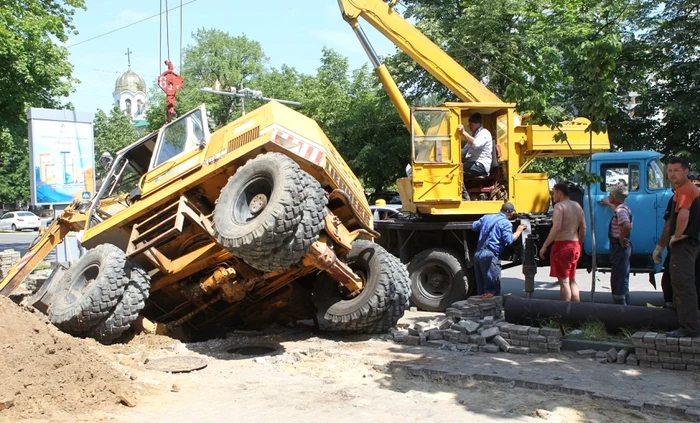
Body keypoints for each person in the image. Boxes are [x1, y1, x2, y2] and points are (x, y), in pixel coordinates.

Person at [660, 157, 700, 337]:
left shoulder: (685, 190)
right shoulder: (683, 190)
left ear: (686, 171)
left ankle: (689, 328)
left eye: (676, 170)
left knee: (683, 284)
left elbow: (683, 214)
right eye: (669, 170)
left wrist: (676, 236)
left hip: (684, 244)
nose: (672, 174)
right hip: (687, 243)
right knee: (678, 282)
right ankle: (680, 313)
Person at [539, 183, 586, 302]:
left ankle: (566, 313)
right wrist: (579, 245)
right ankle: (576, 310)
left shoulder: (559, 207)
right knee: (572, 280)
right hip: (575, 245)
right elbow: (583, 228)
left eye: (553, 193)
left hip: (562, 246)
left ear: (559, 192)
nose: (553, 196)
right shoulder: (577, 206)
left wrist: (544, 246)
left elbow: (556, 227)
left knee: (564, 282)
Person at [471, 202, 527, 297]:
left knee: (481, 290)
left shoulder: (486, 217)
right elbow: (509, 240)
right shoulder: (506, 223)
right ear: (510, 213)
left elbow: (474, 226)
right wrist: (519, 230)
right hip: (489, 256)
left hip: (478, 255)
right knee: (492, 291)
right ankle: (492, 310)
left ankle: (480, 309)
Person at [600, 186, 633, 305]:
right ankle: (625, 302)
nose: (608, 197)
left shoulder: (621, 211)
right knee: (622, 274)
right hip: (622, 247)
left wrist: (621, 237)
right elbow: (616, 209)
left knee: (618, 277)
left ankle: (620, 308)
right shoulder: (622, 207)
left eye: (610, 195)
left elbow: (627, 226)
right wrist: (608, 203)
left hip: (619, 246)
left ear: (615, 197)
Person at [458, 113, 492, 200]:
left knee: (457, 170)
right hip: (472, 163)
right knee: (455, 167)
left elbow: (476, 144)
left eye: (471, 124)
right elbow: (464, 151)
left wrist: (463, 132)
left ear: (478, 124)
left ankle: (465, 197)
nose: (469, 126)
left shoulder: (484, 133)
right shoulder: (474, 136)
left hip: (481, 165)